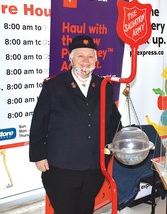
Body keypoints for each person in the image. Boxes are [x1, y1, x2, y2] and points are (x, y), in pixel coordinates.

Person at [29, 35, 121, 214]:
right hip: (61, 166)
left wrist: (110, 148)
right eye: (80, 56)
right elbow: (38, 123)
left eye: (90, 56)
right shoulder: (53, 86)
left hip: (94, 165)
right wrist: (39, 156)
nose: (85, 61)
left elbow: (114, 121)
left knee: (86, 209)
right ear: (70, 58)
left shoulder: (104, 86)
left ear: (96, 59)